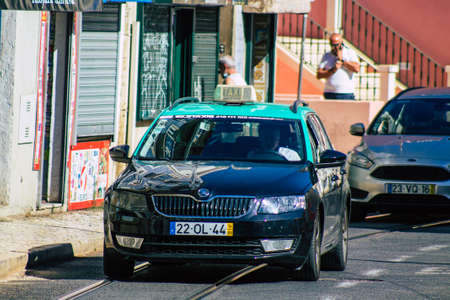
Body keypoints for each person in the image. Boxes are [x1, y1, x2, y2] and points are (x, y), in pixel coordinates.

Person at [317, 33, 360, 100]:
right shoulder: (327, 55)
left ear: (341, 43)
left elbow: (356, 69)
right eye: (332, 45)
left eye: (337, 44)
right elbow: (319, 75)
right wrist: (333, 69)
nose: (335, 47)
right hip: (329, 93)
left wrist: (342, 61)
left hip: (346, 93)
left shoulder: (349, 53)